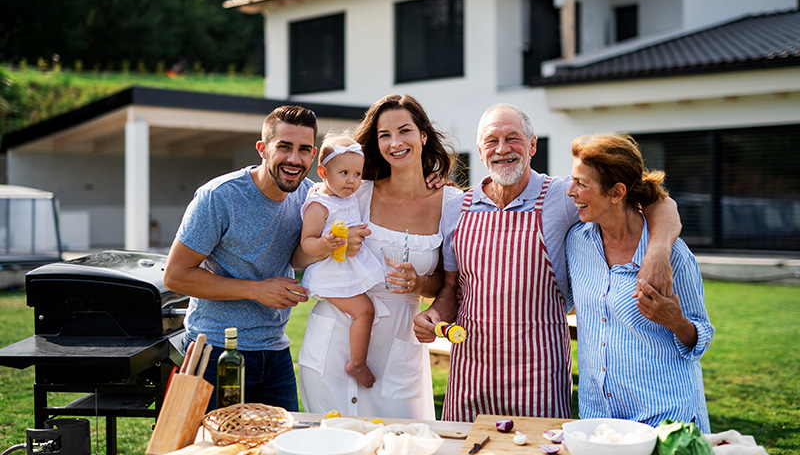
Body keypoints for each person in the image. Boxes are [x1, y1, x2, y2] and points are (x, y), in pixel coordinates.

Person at [414, 104, 682, 422]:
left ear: (532, 145)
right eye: (491, 141)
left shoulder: (563, 195)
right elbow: (450, 289)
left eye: (513, 138)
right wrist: (433, 315)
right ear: (480, 151)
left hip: (538, 374)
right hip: (471, 371)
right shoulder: (456, 206)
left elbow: (659, 202)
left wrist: (658, 251)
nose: (502, 149)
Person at [298, 94, 463, 419]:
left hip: (399, 349)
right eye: (384, 135)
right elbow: (300, 257)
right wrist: (335, 243)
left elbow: (447, 283)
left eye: (404, 131)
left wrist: (418, 281)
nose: (395, 142)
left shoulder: (452, 202)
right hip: (335, 340)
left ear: (423, 135)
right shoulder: (354, 191)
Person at [164, 105, 327, 412]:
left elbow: (297, 254)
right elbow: (176, 275)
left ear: (313, 154)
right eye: (284, 147)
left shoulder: (309, 196)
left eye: (304, 150)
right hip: (216, 351)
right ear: (263, 149)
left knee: (281, 445)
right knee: (216, 446)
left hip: (276, 351)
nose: (295, 159)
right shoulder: (219, 196)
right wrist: (256, 290)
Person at [566, 133, 713, 432]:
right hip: (600, 418)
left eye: (582, 184)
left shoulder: (674, 258)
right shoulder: (576, 243)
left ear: (617, 193)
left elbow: (703, 337)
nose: (571, 191)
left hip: (664, 416)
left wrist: (676, 321)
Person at [299, 133, 384, 389]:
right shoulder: (319, 205)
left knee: (365, 311)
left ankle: (357, 359)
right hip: (330, 274)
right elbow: (306, 243)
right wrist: (325, 243)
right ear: (323, 172)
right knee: (365, 311)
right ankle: (356, 363)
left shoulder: (345, 197)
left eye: (357, 174)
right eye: (344, 173)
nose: (352, 181)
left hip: (345, 269)